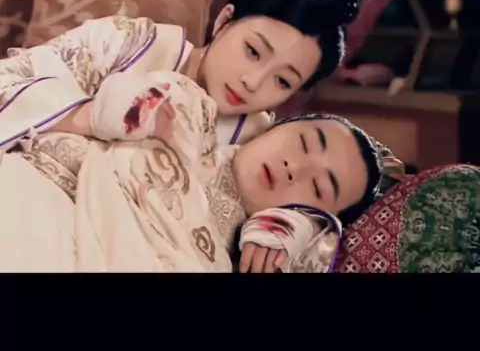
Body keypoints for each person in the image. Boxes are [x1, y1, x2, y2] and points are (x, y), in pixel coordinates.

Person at [0, 0, 370, 156]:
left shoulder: (255, 139)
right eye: (254, 51)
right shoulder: (129, 42)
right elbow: (8, 82)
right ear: (224, 21)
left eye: (283, 80)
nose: (253, 81)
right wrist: (90, 117)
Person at [0, 68, 381, 273]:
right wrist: (117, 112)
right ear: (276, 125)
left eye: (317, 187)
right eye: (304, 143)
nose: (293, 167)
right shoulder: (190, 111)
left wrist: (297, 231)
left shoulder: (246, 255)